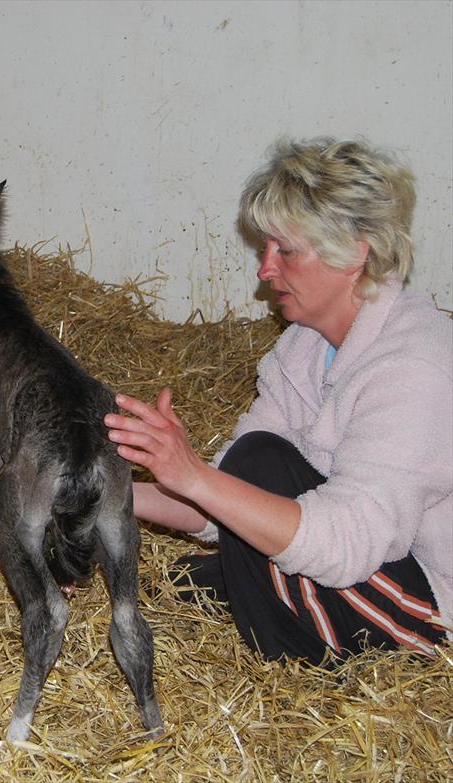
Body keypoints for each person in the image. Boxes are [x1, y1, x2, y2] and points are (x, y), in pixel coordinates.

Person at [104, 138, 452, 665]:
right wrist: (107, 494)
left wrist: (196, 475)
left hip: (424, 611)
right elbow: (225, 504)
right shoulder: (303, 351)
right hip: (359, 573)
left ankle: (295, 656)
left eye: (285, 251)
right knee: (185, 581)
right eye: (265, 249)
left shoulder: (415, 368)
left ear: (355, 253)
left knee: (258, 462)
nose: (264, 269)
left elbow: (347, 545)